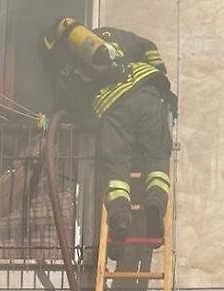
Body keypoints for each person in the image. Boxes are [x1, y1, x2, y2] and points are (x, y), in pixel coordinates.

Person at [39, 18, 177, 252]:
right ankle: (154, 205)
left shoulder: (68, 68)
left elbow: (74, 109)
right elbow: (148, 46)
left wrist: (52, 118)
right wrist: (160, 73)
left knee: (116, 169)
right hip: (148, 91)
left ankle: (120, 219)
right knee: (157, 159)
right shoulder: (110, 34)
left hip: (113, 107)